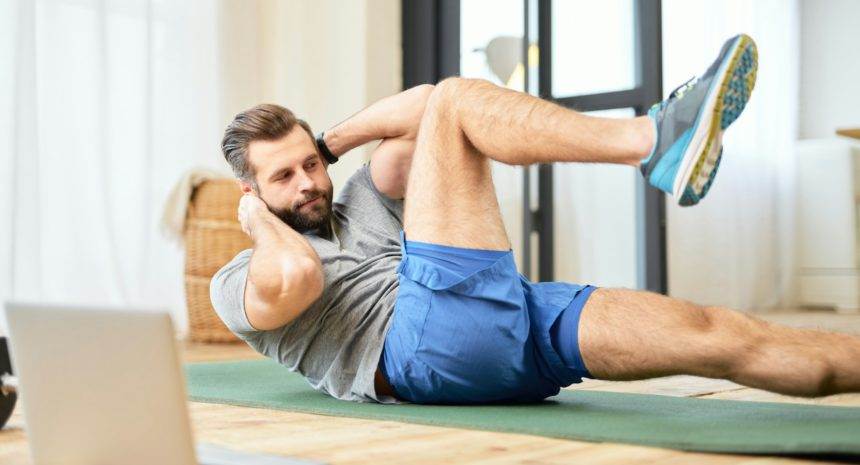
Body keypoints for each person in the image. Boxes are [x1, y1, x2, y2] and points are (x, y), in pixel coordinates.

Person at [211, 34, 860, 404]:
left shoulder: (361, 200)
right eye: (284, 176)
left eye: (309, 166)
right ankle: (653, 141)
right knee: (460, 102)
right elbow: (295, 270)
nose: (308, 183)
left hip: (513, 322)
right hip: (417, 349)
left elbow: (421, 107)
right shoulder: (241, 277)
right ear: (250, 189)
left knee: (720, 334)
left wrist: (328, 142)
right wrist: (255, 218)